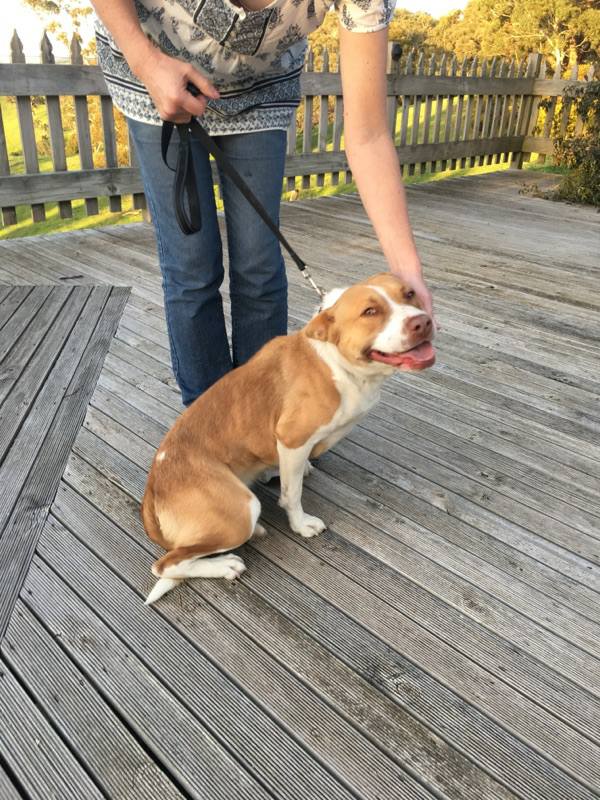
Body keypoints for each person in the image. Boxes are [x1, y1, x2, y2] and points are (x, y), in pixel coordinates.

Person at [91, 0, 434, 406]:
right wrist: (146, 61)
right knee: (191, 266)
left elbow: (370, 135)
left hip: (262, 83)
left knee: (259, 265)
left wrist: (407, 271)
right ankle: (208, 419)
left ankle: (264, 413)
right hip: (154, 58)